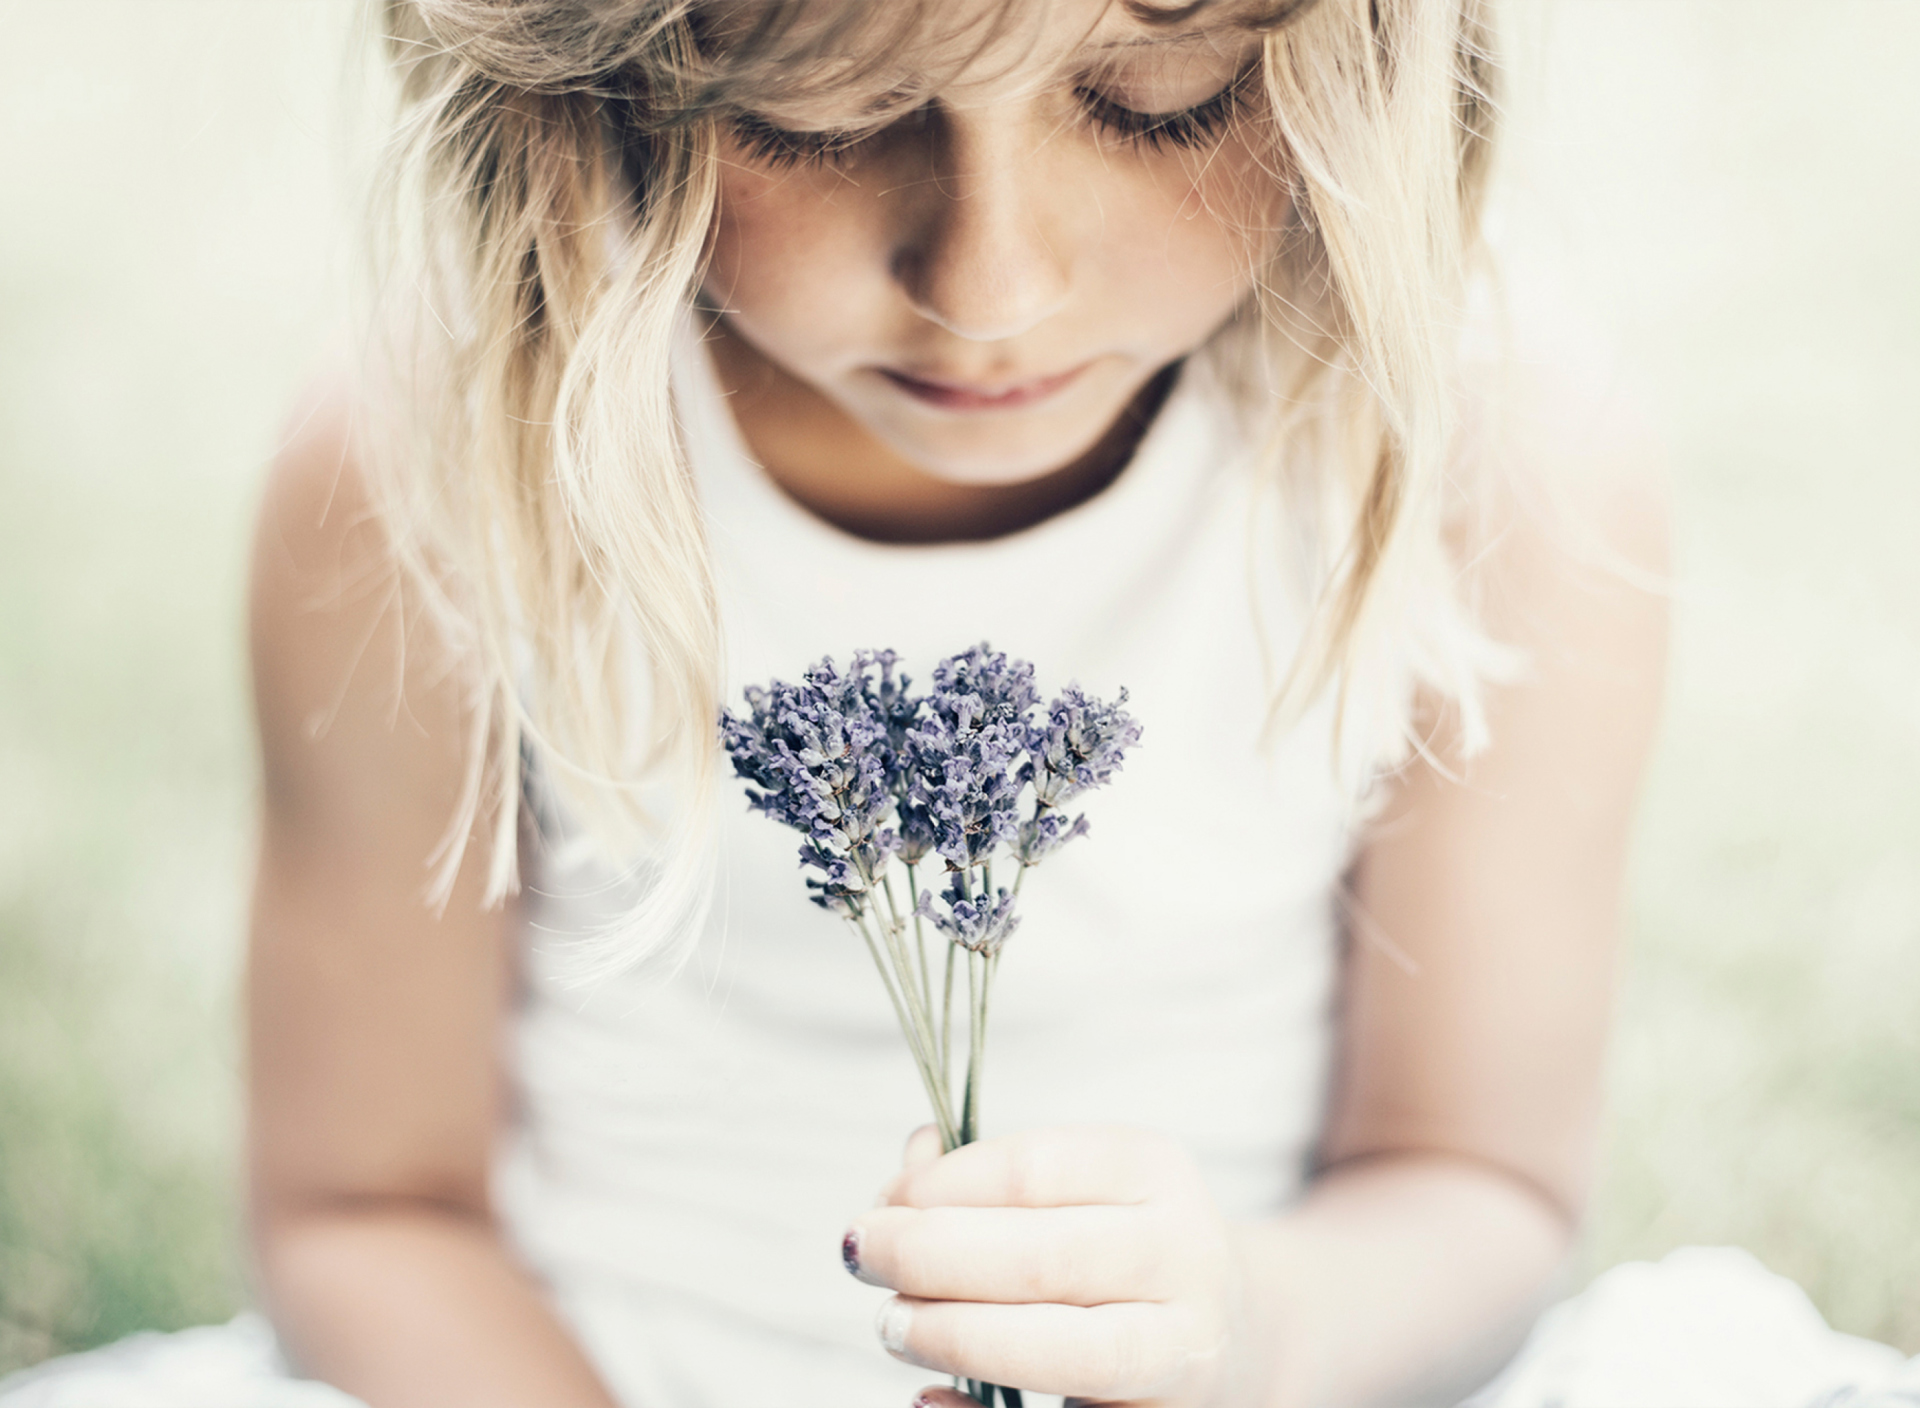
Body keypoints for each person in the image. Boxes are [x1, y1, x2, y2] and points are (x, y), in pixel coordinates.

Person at [4, 1, 1679, 1405]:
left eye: (1160, 103)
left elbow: (1483, 1189)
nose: (992, 282)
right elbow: (362, 1209)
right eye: (818, 119)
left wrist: (1242, 1327)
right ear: (600, 77)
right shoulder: (428, 464)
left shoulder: (1488, 451)